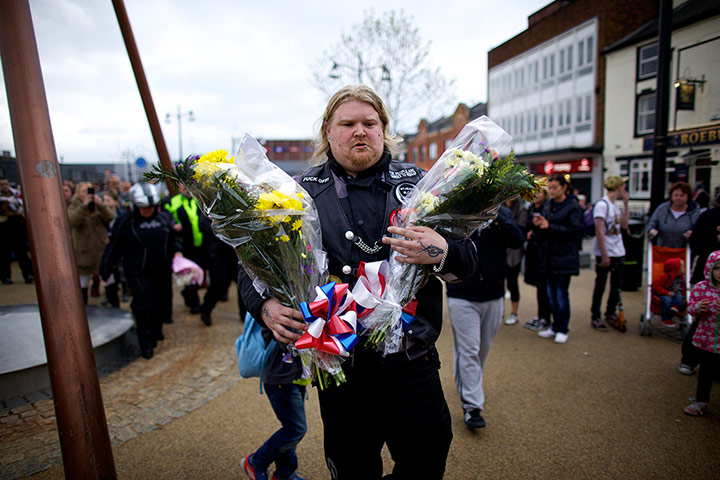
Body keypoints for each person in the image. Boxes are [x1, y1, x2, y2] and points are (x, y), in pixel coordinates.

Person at [238, 85, 478, 480]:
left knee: (426, 462)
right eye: (347, 124)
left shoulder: (424, 187)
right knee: (352, 470)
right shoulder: (296, 195)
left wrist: (443, 250)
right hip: (342, 371)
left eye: (370, 122)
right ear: (328, 132)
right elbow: (250, 266)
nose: (359, 131)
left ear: (384, 129)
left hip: (412, 364)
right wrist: (264, 308)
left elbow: (467, 265)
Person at [446, 204, 524, 429]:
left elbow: (517, 241)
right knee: (469, 349)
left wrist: (499, 218)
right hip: (462, 293)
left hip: (493, 293)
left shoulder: (503, 214)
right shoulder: (458, 210)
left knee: (481, 350)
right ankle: (472, 406)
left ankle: (471, 384)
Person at [101, 182, 181, 359]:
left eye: (151, 207)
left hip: (161, 269)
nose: (147, 211)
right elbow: (113, 246)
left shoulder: (164, 217)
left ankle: (157, 329)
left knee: (161, 302)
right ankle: (145, 342)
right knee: (143, 305)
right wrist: (106, 267)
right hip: (137, 271)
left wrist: (178, 252)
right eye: (143, 208)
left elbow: (172, 239)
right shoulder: (125, 222)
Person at [242, 319, 309, 480]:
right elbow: (281, 336)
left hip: (296, 377)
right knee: (295, 429)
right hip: (280, 379)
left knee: (290, 426)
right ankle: (256, 461)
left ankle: (284, 473)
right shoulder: (275, 309)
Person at [530, 173, 582, 344]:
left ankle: (562, 328)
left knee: (561, 295)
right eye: (549, 188)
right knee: (550, 295)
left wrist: (550, 226)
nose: (551, 191)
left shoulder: (573, 206)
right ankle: (554, 326)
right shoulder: (548, 205)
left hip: (564, 257)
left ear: (564, 187)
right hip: (548, 257)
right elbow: (546, 229)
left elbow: (575, 231)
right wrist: (538, 226)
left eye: (554, 188)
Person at [679, 188, 720, 374]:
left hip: (708, 271)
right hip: (707, 274)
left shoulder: (707, 216)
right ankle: (690, 359)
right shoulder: (709, 217)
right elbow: (696, 242)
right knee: (701, 319)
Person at [589, 175, 630, 331]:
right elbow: (599, 231)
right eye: (623, 186)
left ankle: (610, 311)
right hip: (606, 252)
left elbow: (624, 225)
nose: (624, 190)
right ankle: (595, 315)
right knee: (600, 284)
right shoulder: (602, 205)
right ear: (618, 187)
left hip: (619, 251)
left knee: (616, 285)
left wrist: (626, 205)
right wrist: (604, 254)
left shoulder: (615, 205)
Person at [682, 250, 720, 416]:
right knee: (705, 371)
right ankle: (701, 401)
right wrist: (699, 308)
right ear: (710, 269)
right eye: (717, 268)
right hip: (706, 339)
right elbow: (690, 308)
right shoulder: (701, 287)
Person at [163, 183, 208, 315]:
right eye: (184, 183)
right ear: (178, 184)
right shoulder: (171, 202)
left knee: (201, 273)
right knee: (189, 276)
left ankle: (188, 293)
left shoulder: (200, 200)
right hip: (183, 245)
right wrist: (173, 226)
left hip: (201, 245)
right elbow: (164, 219)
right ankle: (194, 302)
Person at [67, 182, 115, 304]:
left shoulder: (98, 205)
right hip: (83, 250)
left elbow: (110, 217)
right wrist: (84, 206)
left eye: (89, 191)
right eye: (83, 192)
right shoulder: (73, 206)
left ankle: (115, 305)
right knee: (82, 281)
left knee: (108, 278)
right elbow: (73, 221)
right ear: (77, 193)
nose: (87, 194)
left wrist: (101, 206)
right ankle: (83, 310)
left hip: (100, 248)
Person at [198, 214, 246, 326]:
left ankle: (244, 315)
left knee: (242, 284)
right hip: (218, 253)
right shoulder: (210, 208)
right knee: (219, 283)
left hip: (235, 253)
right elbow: (203, 225)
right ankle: (206, 309)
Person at [523, 186, 552, 331]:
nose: (537, 195)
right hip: (534, 251)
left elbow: (547, 230)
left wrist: (534, 233)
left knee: (544, 287)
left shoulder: (548, 207)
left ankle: (546, 317)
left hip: (544, 252)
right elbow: (526, 225)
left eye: (539, 192)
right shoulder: (531, 208)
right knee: (539, 286)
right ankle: (541, 315)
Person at [0, 176, 34, 284]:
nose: (4, 186)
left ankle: (28, 274)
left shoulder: (16, 194)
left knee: (21, 252)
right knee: (4, 254)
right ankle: (5, 277)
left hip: (17, 225)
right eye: (1, 184)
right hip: (3, 227)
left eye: (5, 184)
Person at [647, 182, 700, 248]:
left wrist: (691, 232)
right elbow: (651, 224)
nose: (678, 198)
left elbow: (698, 227)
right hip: (663, 248)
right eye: (676, 195)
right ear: (671, 196)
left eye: (681, 195)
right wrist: (652, 230)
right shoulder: (662, 209)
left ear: (687, 197)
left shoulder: (694, 211)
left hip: (684, 250)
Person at [503, 197, 527, 325]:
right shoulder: (499, 205)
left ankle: (514, 312)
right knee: (500, 280)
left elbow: (520, 233)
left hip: (514, 251)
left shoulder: (522, 209)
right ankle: (501, 309)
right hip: (500, 249)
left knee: (512, 282)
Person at [652, 257, 687, 328]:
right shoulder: (665, 277)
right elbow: (656, 286)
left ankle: (674, 308)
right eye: (682, 267)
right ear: (676, 269)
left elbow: (683, 287)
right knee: (667, 300)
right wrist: (666, 292)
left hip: (676, 293)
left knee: (680, 297)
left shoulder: (682, 277)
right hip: (664, 293)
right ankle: (666, 318)